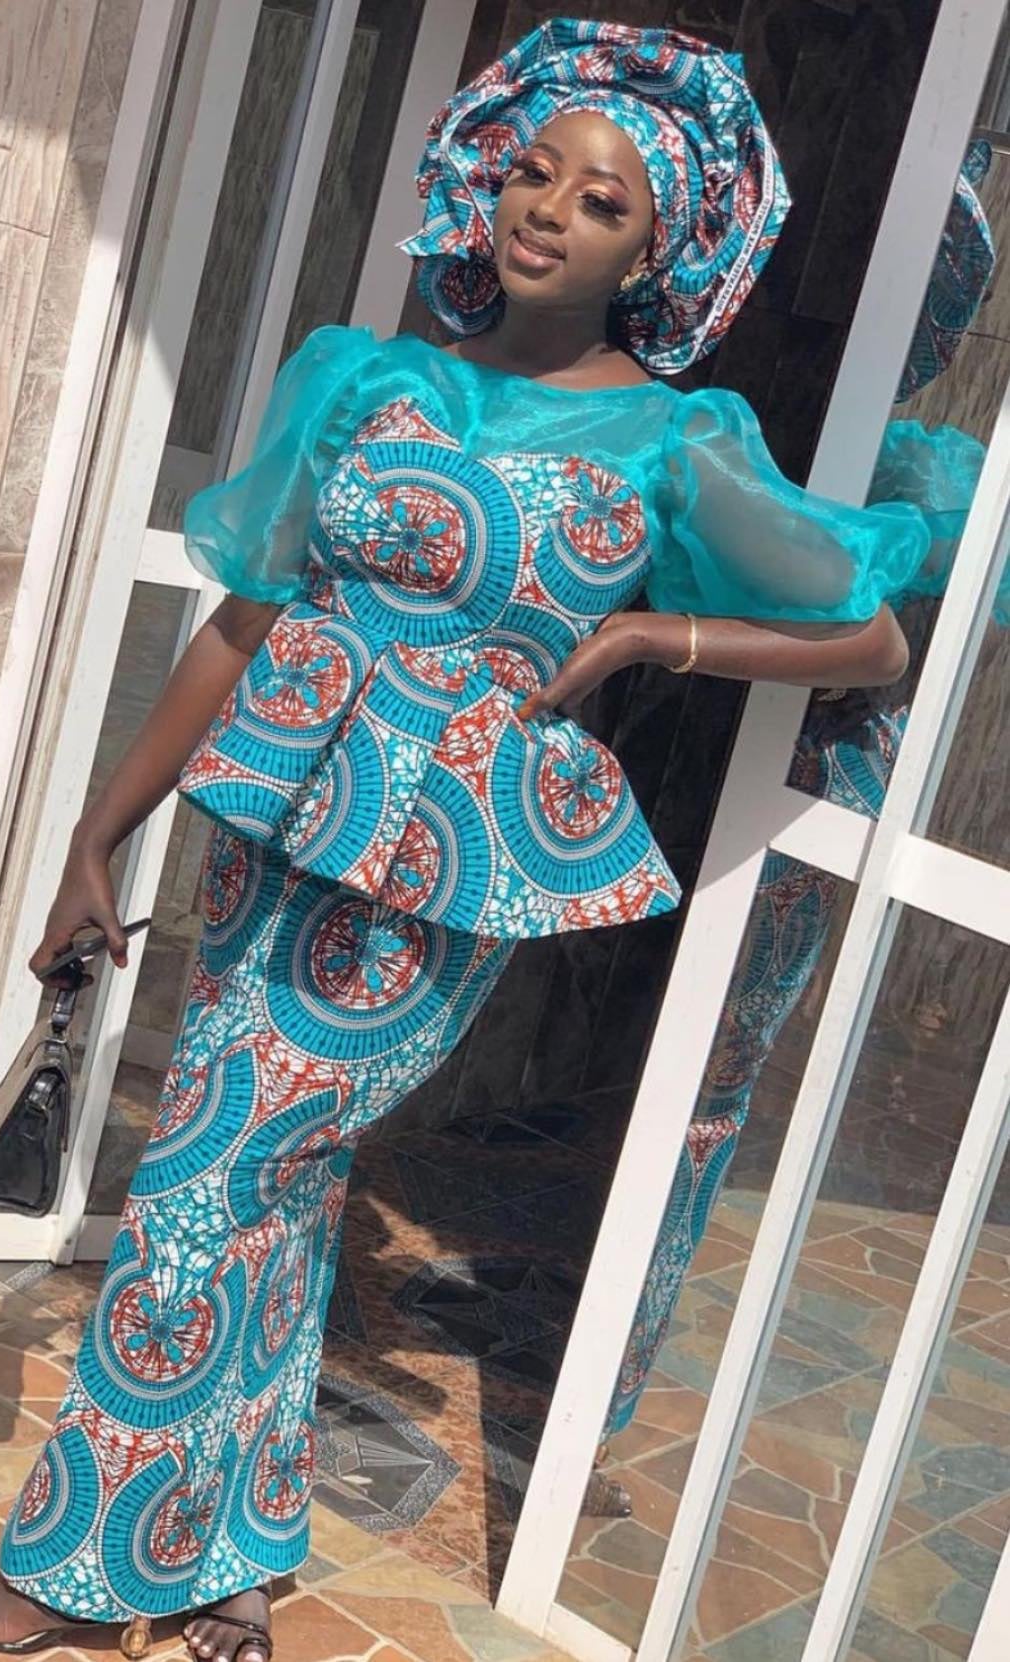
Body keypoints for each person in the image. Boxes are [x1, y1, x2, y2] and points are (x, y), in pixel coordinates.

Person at [0, 20, 958, 1661]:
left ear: (654, 250)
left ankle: (68, 1574)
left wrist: (648, 638)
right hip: (272, 821)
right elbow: (242, 620)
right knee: (276, 1184)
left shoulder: (673, 443)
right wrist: (95, 836)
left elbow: (866, 635)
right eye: (532, 173)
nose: (548, 210)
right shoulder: (368, 380)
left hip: (442, 867)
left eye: (603, 202)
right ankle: (230, 1545)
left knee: (204, 1179)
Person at [589, 138, 1003, 1518]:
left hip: (809, 801)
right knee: (661, 1077)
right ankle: (584, 1365)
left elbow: (883, 635)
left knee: (706, 1094)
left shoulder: (926, 478)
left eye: (928, 282)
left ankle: (600, 1401)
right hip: (687, 766)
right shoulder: (720, 427)